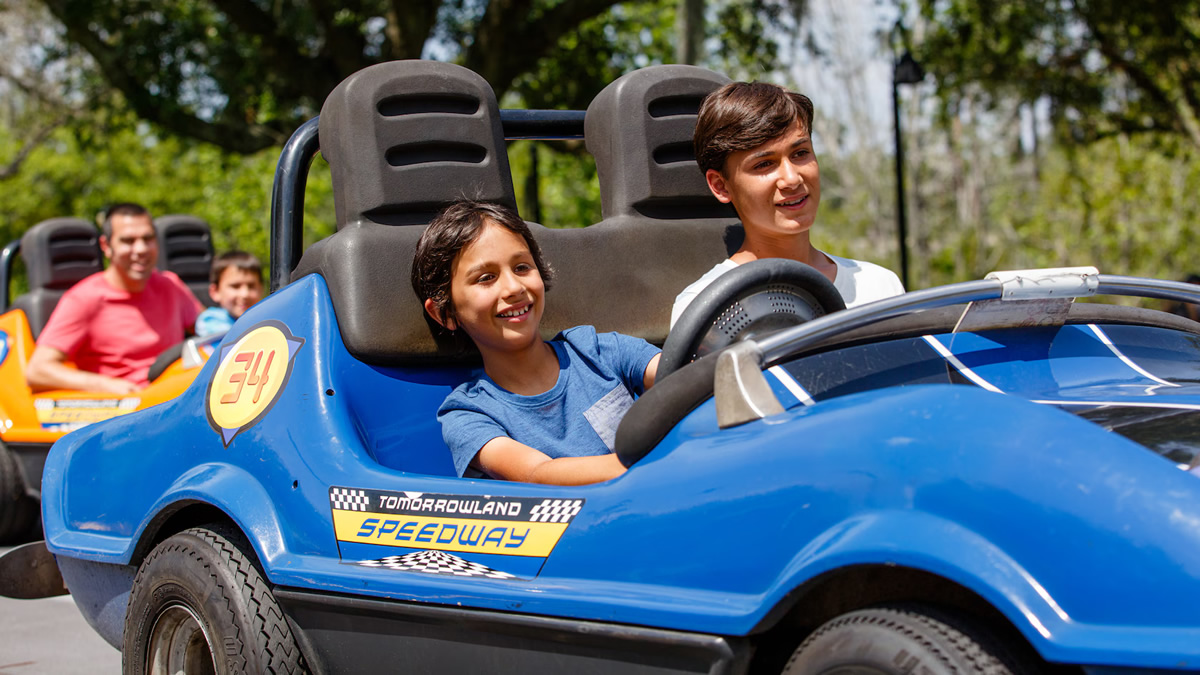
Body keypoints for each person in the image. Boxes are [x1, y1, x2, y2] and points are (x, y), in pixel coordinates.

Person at [412, 201, 660, 485]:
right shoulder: (468, 414)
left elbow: (686, 379)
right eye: (486, 278)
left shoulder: (599, 352)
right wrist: (657, 461)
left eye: (521, 267)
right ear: (446, 313)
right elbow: (538, 474)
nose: (514, 287)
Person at [671, 82, 904, 326]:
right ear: (720, 185)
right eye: (764, 164)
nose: (792, 179)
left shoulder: (880, 286)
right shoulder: (705, 308)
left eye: (800, 153)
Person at [25, 203, 203, 394]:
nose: (141, 249)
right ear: (106, 246)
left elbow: (210, 331)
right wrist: (105, 385)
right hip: (123, 409)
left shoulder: (171, 284)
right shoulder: (84, 299)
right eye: (128, 241)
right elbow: (37, 370)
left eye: (148, 238)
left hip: (177, 395)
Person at [195, 251, 264, 337]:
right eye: (235, 286)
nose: (245, 294)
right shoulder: (210, 320)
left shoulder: (265, 319)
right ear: (215, 291)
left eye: (251, 286)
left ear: (261, 289)